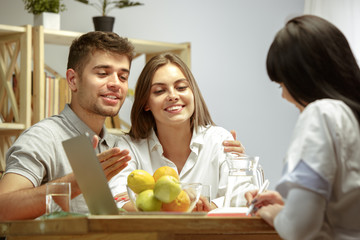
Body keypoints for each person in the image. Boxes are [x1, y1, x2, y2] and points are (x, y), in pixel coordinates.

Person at [245, 15, 360, 239]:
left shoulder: (321, 113)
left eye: (281, 85)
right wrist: (291, 206)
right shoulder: (352, 116)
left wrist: (277, 214)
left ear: (302, 78)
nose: (284, 96)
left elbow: (299, 228)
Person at [0, 31, 134, 220]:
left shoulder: (119, 146)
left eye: (123, 77)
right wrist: (74, 183)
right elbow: (3, 208)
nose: (115, 84)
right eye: (103, 73)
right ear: (72, 80)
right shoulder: (42, 137)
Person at [110, 53, 245, 211]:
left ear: (193, 93)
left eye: (181, 87)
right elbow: (117, 199)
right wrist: (180, 208)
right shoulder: (128, 148)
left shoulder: (220, 140)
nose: (173, 96)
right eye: (160, 91)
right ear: (146, 102)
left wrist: (208, 208)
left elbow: (242, 194)